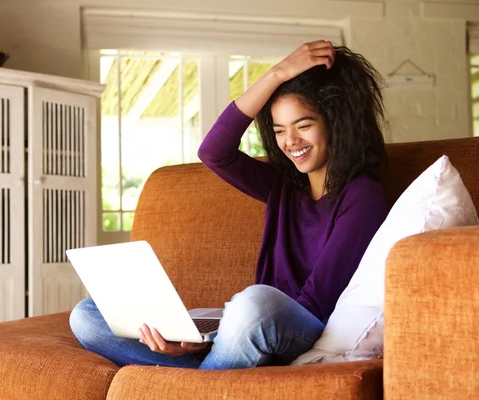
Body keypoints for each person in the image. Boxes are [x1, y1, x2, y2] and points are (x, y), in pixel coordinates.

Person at [69, 40, 389, 370]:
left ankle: (202, 376)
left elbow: (316, 302)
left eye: (303, 125)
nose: (290, 142)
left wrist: (227, 329)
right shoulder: (282, 184)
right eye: (279, 130)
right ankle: (205, 373)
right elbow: (214, 151)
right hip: (248, 325)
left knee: (254, 302)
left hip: (301, 327)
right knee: (87, 315)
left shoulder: (362, 196)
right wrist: (276, 74)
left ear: (336, 124)